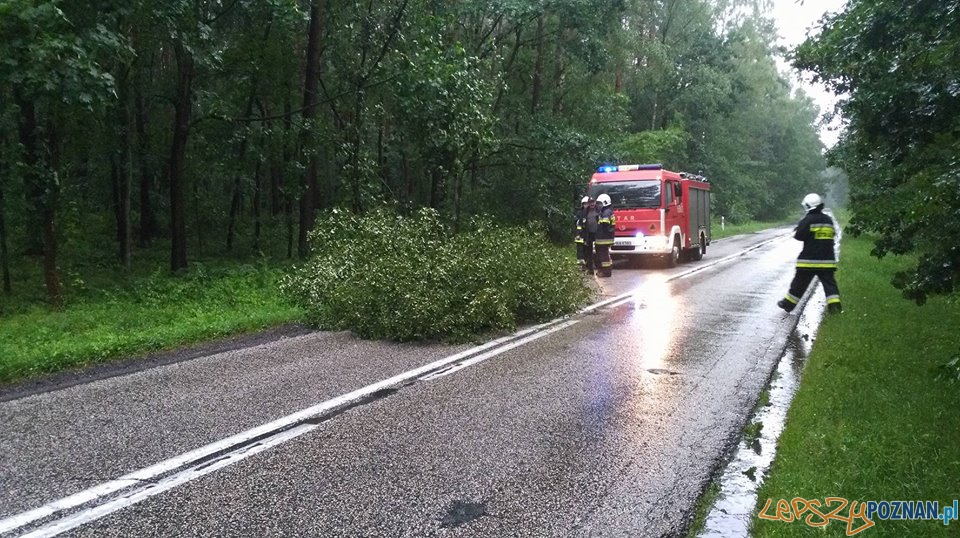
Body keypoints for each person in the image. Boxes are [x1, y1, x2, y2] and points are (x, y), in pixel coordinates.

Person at [777, 193, 842, 314]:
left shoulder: (808, 220)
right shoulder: (828, 220)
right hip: (827, 262)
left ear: (808, 206)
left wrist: (800, 228)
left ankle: (788, 304)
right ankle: (835, 307)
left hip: (808, 261)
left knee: (799, 284)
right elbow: (832, 234)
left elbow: (799, 236)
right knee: (830, 285)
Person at [594, 194, 616, 277]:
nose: (598, 205)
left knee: (603, 256)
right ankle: (607, 270)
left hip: (603, 238)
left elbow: (604, 224)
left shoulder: (606, 212)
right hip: (605, 238)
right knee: (605, 254)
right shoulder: (607, 211)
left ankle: (606, 272)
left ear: (605, 203)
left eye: (600, 203)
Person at [575, 196, 594, 272]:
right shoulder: (580, 213)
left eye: (587, 204)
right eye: (584, 204)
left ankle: (589, 268)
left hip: (588, 236)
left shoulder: (591, 213)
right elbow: (577, 224)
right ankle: (582, 267)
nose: (586, 205)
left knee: (588, 252)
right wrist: (578, 234)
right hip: (580, 236)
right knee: (580, 252)